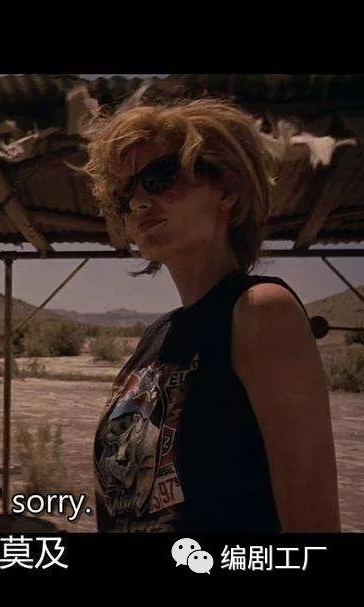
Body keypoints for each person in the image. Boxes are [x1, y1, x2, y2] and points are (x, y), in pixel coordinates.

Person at [82, 97, 341, 532]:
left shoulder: (260, 312)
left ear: (228, 189)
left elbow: (313, 526)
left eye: (161, 178)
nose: (140, 201)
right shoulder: (157, 337)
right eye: (126, 194)